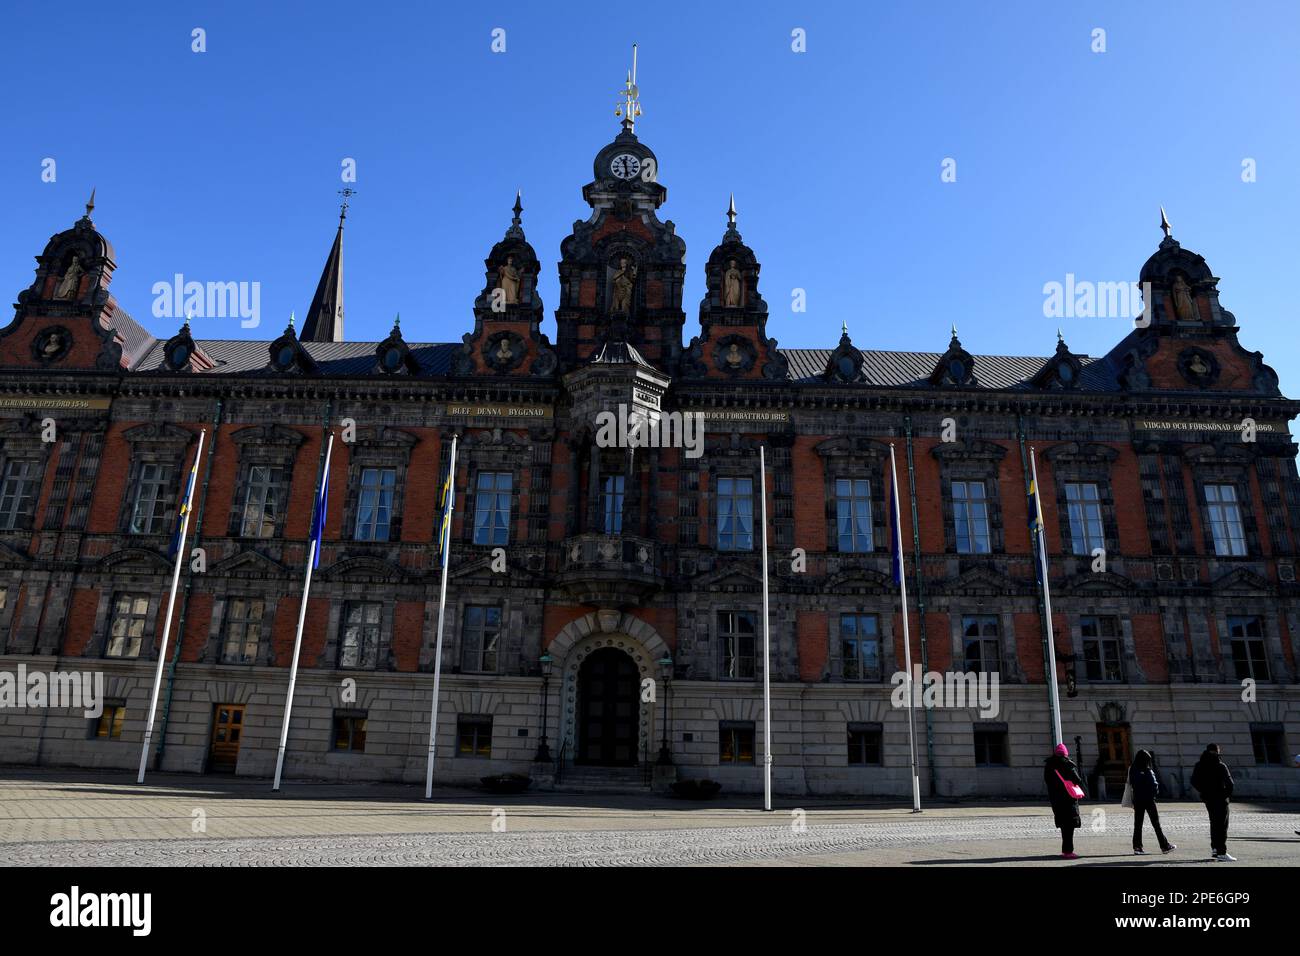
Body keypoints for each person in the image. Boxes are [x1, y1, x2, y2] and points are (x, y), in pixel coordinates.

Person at [1190, 743, 1235, 861]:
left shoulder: (1199, 765)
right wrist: (1224, 795)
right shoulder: (1220, 765)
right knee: (1222, 826)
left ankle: (1215, 848)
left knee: (1214, 823)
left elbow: (1193, 781)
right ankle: (1221, 852)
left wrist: (1203, 791)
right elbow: (1230, 784)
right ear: (1217, 751)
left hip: (1208, 798)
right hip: (1220, 799)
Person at [1129, 750, 1175, 854]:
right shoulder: (1147, 770)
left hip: (1138, 799)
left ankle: (1137, 847)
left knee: (1138, 824)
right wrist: (1154, 793)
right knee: (1156, 824)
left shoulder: (1132, 769)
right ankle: (1164, 846)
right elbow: (1154, 785)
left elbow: (1131, 782)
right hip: (1149, 800)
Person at [1044, 742, 1085, 859]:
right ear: (1065, 754)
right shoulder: (1068, 765)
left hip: (1056, 799)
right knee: (1070, 826)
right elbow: (1078, 780)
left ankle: (1065, 850)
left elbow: (1048, 781)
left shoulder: (1049, 765)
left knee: (1063, 825)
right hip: (1069, 799)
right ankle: (1068, 851)